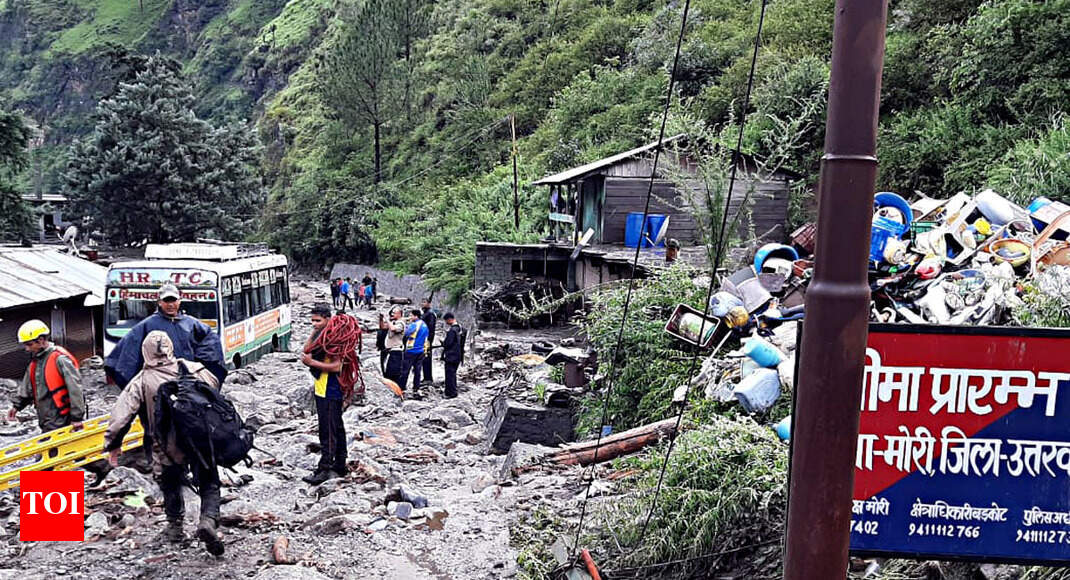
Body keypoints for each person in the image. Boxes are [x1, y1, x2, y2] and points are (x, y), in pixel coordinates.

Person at [103, 331, 225, 555]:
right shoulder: (193, 368)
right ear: (171, 347)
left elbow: (121, 417)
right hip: (200, 440)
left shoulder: (141, 380)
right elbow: (215, 390)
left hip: (165, 445)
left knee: (170, 484)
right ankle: (208, 520)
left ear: (145, 353)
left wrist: (113, 444)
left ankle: (175, 528)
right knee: (209, 483)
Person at [7, 320, 111, 486]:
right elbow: (28, 387)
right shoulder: (36, 362)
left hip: (61, 417)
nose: (27, 348)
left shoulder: (60, 359)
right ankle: (103, 469)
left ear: (41, 340)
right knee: (74, 449)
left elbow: (75, 389)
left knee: (49, 456)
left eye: (29, 344)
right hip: (48, 418)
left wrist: (77, 417)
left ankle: (45, 497)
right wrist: (16, 406)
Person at [105, 283, 227, 389]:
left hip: (189, 380)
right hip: (159, 382)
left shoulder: (192, 324)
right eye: (166, 301)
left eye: (173, 300)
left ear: (179, 301)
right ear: (159, 302)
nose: (170, 304)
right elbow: (128, 352)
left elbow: (211, 344)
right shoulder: (147, 325)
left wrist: (198, 365)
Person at [300, 305, 347, 484]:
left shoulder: (335, 339)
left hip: (331, 389)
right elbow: (306, 349)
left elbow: (337, 366)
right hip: (322, 388)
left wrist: (312, 362)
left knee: (327, 430)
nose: (314, 323)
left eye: (318, 320)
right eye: (312, 320)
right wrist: (314, 331)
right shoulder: (322, 335)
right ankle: (340, 464)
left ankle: (325, 469)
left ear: (328, 319)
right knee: (337, 427)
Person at [399, 309, 429, 398]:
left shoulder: (414, 325)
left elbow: (406, 333)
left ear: (416, 316)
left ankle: (402, 387)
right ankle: (416, 388)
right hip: (421, 351)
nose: (410, 317)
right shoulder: (424, 325)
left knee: (405, 370)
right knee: (417, 371)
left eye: (411, 315)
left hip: (411, 350)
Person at [379, 306, 405, 386]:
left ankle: (397, 389)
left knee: (394, 373)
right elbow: (383, 327)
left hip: (396, 351)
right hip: (390, 351)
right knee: (387, 372)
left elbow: (393, 329)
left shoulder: (400, 323)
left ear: (399, 314)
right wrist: (381, 318)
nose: (392, 314)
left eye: (394, 313)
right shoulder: (393, 322)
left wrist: (387, 319)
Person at [440, 313, 464, 399]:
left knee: (449, 375)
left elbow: (448, 343)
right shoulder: (461, 328)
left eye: (446, 321)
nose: (446, 323)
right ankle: (453, 391)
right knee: (453, 374)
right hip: (458, 355)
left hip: (451, 356)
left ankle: (450, 393)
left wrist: (443, 343)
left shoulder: (452, 331)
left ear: (449, 319)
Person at [420, 298, 437, 387]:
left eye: (424, 302)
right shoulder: (425, 313)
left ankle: (428, 378)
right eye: (422, 302)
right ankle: (426, 377)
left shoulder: (430, 314)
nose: (422, 304)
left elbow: (431, 328)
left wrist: (429, 340)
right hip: (422, 339)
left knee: (426, 358)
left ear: (429, 303)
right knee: (424, 358)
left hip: (427, 340)